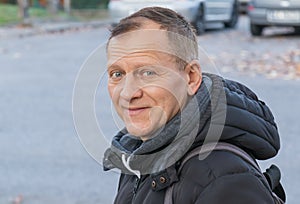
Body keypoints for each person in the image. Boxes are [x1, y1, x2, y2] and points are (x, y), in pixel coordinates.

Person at [103, 6, 282, 204]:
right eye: (117, 74)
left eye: (148, 73)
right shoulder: (141, 152)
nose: (128, 93)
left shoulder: (222, 180)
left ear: (191, 77)